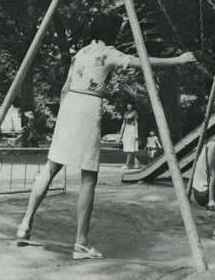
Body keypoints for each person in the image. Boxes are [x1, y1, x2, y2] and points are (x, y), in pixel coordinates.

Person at [16, 22, 196, 259]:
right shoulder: (109, 52)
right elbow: (142, 60)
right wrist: (177, 61)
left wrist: (64, 115)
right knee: (89, 175)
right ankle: (80, 243)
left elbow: (65, 87)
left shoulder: (80, 52)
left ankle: (25, 223)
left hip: (69, 104)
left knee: (51, 167)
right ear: (110, 34)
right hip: (88, 106)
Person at [119, 103, 140, 169]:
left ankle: (127, 164)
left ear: (132, 106)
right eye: (128, 105)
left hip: (132, 129)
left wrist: (136, 134)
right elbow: (123, 123)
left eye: (130, 105)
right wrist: (120, 134)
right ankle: (136, 163)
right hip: (126, 130)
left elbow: (136, 123)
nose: (129, 106)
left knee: (130, 148)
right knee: (128, 147)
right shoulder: (125, 113)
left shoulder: (134, 112)